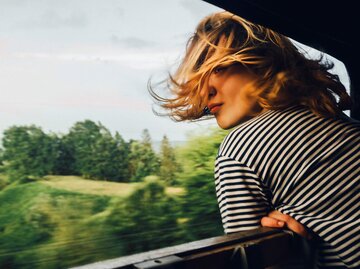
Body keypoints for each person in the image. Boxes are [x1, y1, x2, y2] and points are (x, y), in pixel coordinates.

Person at [149, 11, 359, 268]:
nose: (205, 92)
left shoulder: (238, 150)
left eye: (218, 68)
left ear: (264, 63)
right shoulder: (344, 124)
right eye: (198, 81)